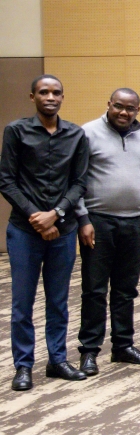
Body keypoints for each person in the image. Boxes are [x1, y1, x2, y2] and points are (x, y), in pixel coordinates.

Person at [1, 75, 90, 390]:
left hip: (63, 230)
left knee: (58, 300)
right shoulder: (16, 131)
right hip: (24, 230)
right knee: (22, 303)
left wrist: (56, 214)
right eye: (44, 92)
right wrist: (36, 216)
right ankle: (23, 366)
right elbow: (6, 179)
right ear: (32, 96)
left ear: (63, 97)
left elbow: (79, 182)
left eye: (56, 92)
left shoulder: (76, 135)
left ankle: (57, 360)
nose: (50, 97)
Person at [75, 88, 140, 375]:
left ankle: (123, 346)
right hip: (97, 221)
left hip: (133, 222)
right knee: (95, 289)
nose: (124, 112)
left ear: (137, 110)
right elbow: (77, 180)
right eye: (119, 106)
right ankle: (89, 350)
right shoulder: (88, 133)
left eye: (131, 108)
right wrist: (83, 219)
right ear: (108, 104)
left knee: (126, 289)